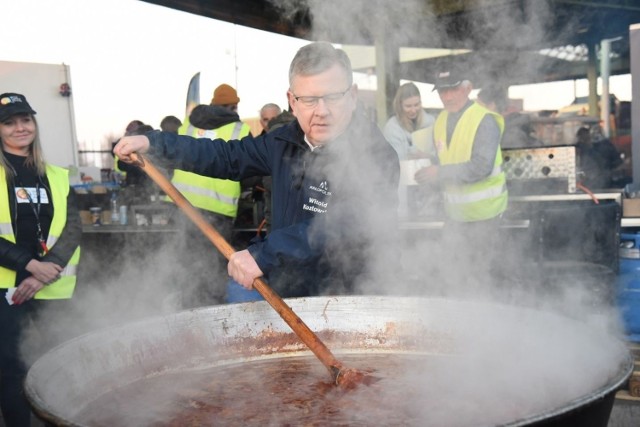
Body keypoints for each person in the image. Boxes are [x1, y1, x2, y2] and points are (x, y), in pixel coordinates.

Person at [114, 41, 400, 299]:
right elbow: (225, 156)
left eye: (333, 97)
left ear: (352, 95)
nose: (321, 111)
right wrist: (154, 142)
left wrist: (264, 254)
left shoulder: (375, 154)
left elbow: (345, 223)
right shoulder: (281, 141)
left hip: (352, 299)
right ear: (292, 100)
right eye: (309, 100)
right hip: (287, 294)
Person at [0, 93, 82, 426]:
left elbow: (75, 229)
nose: (20, 128)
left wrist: (44, 272)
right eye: (9, 122)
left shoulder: (57, 175)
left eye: (26, 120)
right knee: (12, 369)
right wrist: (29, 265)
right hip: (6, 291)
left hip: (52, 288)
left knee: (58, 366)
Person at [414, 69, 507, 290]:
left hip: (485, 216)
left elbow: (481, 167)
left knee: (481, 280)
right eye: (442, 91)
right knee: (455, 278)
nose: (447, 96)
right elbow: (446, 157)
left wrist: (439, 172)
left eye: (453, 89)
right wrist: (427, 162)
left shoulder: (484, 120)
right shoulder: (441, 121)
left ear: (467, 88)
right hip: (456, 217)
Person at [168, 83, 252, 306]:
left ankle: (185, 313)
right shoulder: (239, 129)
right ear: (233, 106)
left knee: (186, 264)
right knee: (213, 268)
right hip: (218, 210)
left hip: (182, 205)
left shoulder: (189, 122)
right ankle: (211, 316)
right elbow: (250, 170)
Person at [383, 82, 435, 161]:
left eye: (416, 105)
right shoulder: (392, 128)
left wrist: (427, 156)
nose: (413, 110)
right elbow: (395, 162)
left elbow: (440, 155)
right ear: (399, 106)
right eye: (408, 106)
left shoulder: (431, 122)